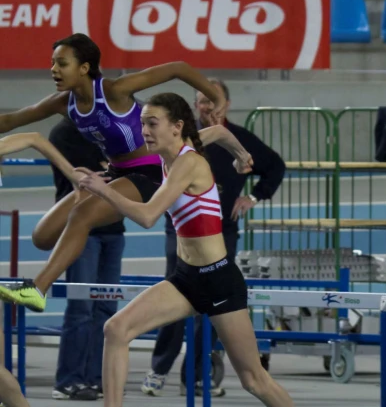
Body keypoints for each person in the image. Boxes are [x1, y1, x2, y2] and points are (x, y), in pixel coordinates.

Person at [0, 33, 250, 313]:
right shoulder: (63, 103)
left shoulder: (115, 90)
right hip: (117, 172)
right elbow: (10, 120)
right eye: (52, 63)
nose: (54, 69)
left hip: (150, 172)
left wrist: (215, 96)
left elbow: (179, 67)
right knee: (42, 236)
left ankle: (37, 289)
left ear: (84, 68)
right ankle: (60, 259)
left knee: (81, 215)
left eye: (62, 63)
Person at [75, 92, 293, 407]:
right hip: (186, 279)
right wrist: (241, 155)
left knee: (254, 381)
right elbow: (219, 132)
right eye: (142, 124)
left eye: (152, 124)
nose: (144, 131)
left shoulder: (188, 162)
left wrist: (103, 190)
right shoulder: (175, 149)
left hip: (219, 280)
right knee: (116, 329)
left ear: (176, 127)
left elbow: (148, 215)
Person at [143, 78, 286, 397]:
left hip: (221, 237)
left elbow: (275, 165)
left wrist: (254, 196)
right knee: (171, 303)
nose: (204, 106)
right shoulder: (182, 141)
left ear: (225, 105)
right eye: (200, 101)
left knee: (211, 318)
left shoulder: (236, 136)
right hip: (180, 234)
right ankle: (159, 369)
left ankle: (194, 375)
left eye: (211, 101)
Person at [49, 118, 125, 401]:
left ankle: (98, 377)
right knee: (81, 307)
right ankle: (68, 380)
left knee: (107, 308)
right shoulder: (64, 133)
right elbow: (93, 178)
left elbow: (119, 172)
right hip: (83, 231)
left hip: (114, 230)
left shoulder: (111, 131)